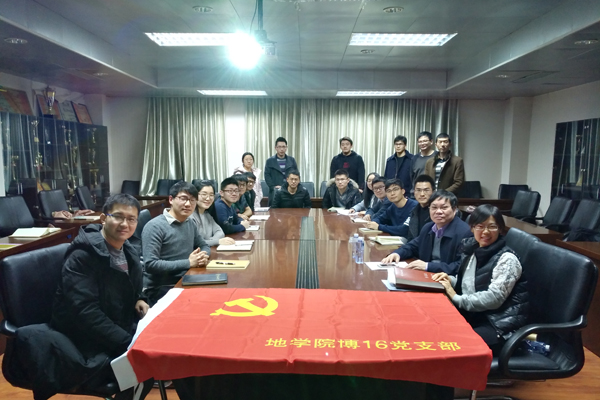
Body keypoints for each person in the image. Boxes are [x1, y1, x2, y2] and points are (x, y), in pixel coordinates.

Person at [50, 194, 153, 400]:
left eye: (131, 219)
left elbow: (128, 285)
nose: (125, 224)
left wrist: (139, 298)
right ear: (104, 219)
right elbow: (84, 312)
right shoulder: (83, 256)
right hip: (85, 337)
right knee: (145, 364)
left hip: (117, 322)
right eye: (118, 217)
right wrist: (127, 342)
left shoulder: (127, 248)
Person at [432, 205, 529, 354]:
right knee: (434, 328)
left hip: (500, 325)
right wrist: (450, 280)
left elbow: (494, 298)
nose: (485, 232)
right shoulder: (473, 250)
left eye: (492, 227)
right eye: (480, 226)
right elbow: (470, 284)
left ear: (500, 229)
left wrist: (455, 297)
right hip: (477, 315)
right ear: (472, 228)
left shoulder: (507, 259)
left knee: (451, 345)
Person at [142, 181, 210, 305]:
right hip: (161, 287)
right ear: (171, 199)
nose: (188, 204)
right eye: (183, 199)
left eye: (192, 200)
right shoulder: (155, 226)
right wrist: (188, 263)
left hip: (186, 279)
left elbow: (203, 245)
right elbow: (150, 264)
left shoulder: (189, 222)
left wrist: (202, 256)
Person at [381, 190, 472, 274]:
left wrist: (428, 266)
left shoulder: (465, 232)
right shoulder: (428, 227)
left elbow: (461, 265)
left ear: (454, 210)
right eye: (434, 207)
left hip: (447, 278)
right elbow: (412, 246)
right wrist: (397, 253)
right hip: (426, 274)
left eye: (444, 208)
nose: (438, 211)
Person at [190, 180, 235, 247]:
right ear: (194, 195)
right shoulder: (190, 217)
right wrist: (216, 241)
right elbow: (194, 243)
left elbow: (220, 232)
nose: (208, 198)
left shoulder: (207, 214)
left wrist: (210, 241)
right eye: (204, 194)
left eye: (211, 195)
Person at [264, 137, 298, 204]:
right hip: (275, 191)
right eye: (279, 147)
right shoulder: (270, 161)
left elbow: (296, 174)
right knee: (275, 209)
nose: (281, 149)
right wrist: (273, 187)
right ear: (275, 148)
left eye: (283, 147)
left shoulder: (292, 160)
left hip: (289, 190)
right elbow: (267, 175)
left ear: (286, 148)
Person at [405, 174, 435, 242]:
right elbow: (410, 237)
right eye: (418, 190)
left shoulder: (437, 213)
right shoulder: (414, 211)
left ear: (433, 192)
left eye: (426, 190)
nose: (422, 194)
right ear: (414, 192)